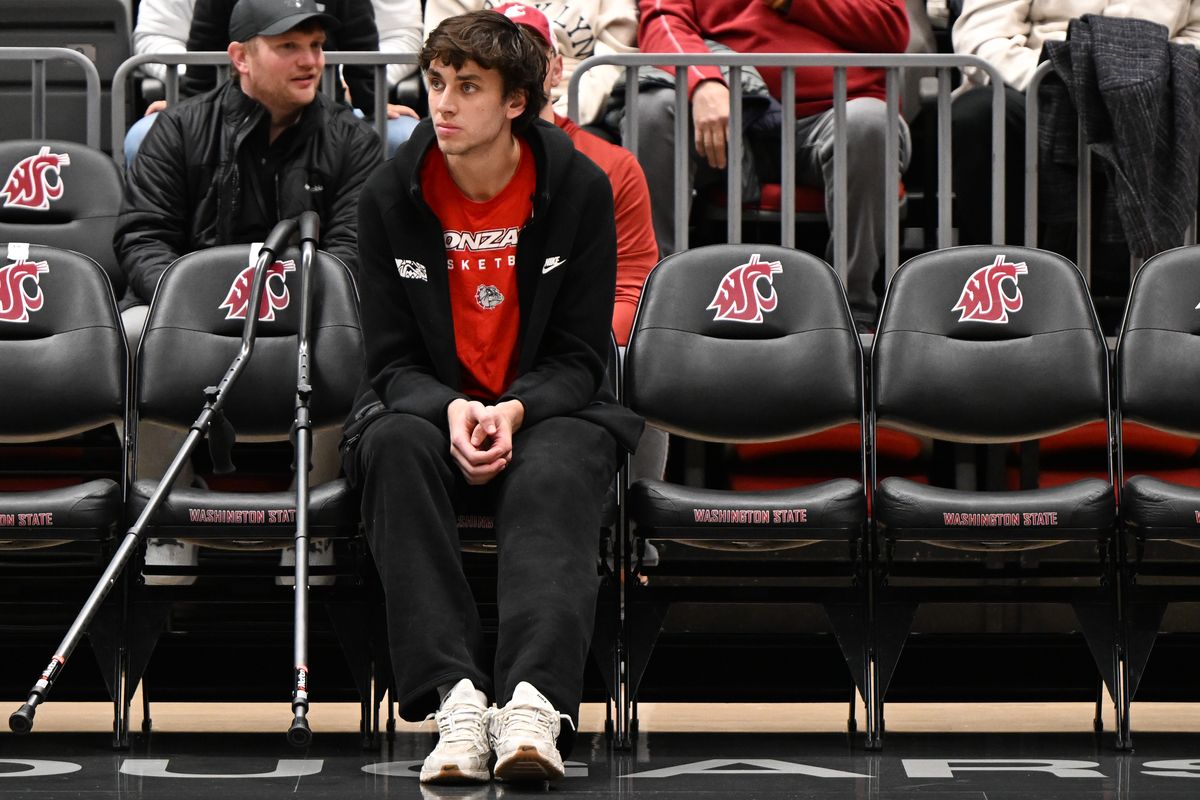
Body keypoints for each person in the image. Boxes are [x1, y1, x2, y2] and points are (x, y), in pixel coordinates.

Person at [342, 9, 642, 784]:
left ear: (516, 101)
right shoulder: (388, 195)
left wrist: (513, 409)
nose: (442, 103)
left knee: (562, 460)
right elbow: (388, 361)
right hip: (429, 404)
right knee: (391, 444)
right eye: (437, 83)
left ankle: (534, 701)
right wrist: (448, 407)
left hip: (543, 408)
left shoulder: (578, 188)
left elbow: (582, 357)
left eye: (467, 87)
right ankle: (458, 700)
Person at [114, 0, 383, 584]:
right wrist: (197, 308)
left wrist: (287, 307)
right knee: (132, 334)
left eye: (316, 46)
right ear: (240, 57)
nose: (310, 60)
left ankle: (314, 513)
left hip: (308, 317)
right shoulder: (180, 127)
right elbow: (142, 237)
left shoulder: (353, 139)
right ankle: (169, 513)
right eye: (289, 46)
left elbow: (353, 254)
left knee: (356, 337)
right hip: (192, 323)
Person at [633, 0, 910, 330]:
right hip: (733, 116)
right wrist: (702, 80)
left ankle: (852, 315)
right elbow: (663, 22)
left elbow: (892, 29)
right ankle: (656, 311)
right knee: (652, 109)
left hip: (835, 113)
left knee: (870, 122)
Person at [951, 0, 1200, 250]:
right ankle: (1004, 269)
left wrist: (1147, 76)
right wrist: (1065, 79)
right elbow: (983, 36)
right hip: (1039, 85)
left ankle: (1170, 276)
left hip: (1152, 94)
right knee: (977, 114)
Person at [126, 0, 423, 160]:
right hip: (234, 108)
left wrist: (371, 102)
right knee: (145, 137)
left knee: (403, 136)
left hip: (330, 110)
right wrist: (186, 108)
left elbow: (361, 45)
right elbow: (203, 51)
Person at [423, 0, 638, 129]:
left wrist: (557, 117)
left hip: (578, 109)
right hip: (478, 108)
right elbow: (441, 59)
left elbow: (611, 64)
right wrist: (491, 115)